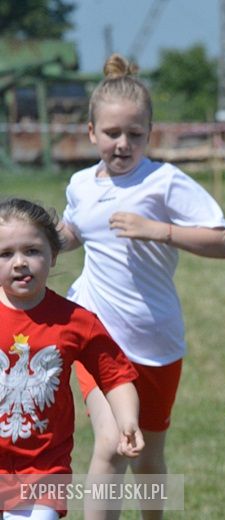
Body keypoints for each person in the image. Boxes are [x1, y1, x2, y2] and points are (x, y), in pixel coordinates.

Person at [58, 54, 225, 520]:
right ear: (92, 131)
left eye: (134, 134)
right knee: (113, 445)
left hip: (157, 340)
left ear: (149, 133)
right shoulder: (80, 184)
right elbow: (74, 231)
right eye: (112, 133)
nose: (122, 143)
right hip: (97, 333)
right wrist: (32, 243)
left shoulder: (164, 182)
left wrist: (159, 230)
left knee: (148, 456)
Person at [0, 198, 143, 519]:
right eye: (6, 254)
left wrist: (127, 420)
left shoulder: (76, 321)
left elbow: (115, 375)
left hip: (44, 469)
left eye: (32, 251)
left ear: (53, 254)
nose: (20, 262)